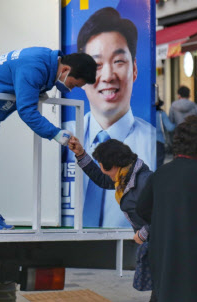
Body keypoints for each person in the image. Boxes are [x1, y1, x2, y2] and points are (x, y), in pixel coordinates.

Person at [0, 47, 97, 230]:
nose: (70, 89)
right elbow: (27, 111)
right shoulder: (35, 66)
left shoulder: (47, 65)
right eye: (74, 84)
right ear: (65, 70)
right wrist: (55, 133)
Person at [63, 7, 156, 228]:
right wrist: (82, 154)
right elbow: (104, 179)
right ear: (83, 78)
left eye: (119, 62)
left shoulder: (153, 145)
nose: (107, 76)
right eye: (96, 66)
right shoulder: (62, 136)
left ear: (134, 69)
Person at [136, 115, 197, 302]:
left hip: (161, 249)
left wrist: (162, 221)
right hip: (192, 250)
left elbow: (142, 208)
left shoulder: (161, 173)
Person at [68, 136, 156, 301]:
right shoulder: (125, 177)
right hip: (154, 245)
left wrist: (144, 233)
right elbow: (102, 179)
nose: (101, 169)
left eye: (102, 165)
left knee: (164, 291)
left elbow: (164, 213)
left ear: (114, 166)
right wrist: (81, 155)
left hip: (164, 244)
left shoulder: (145, 181)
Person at [155, 99, 175, 168]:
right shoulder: (161, 114)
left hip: (146, 142)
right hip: (159, 141)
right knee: (159, 163)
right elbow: (170, 127)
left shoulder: (145, 112)